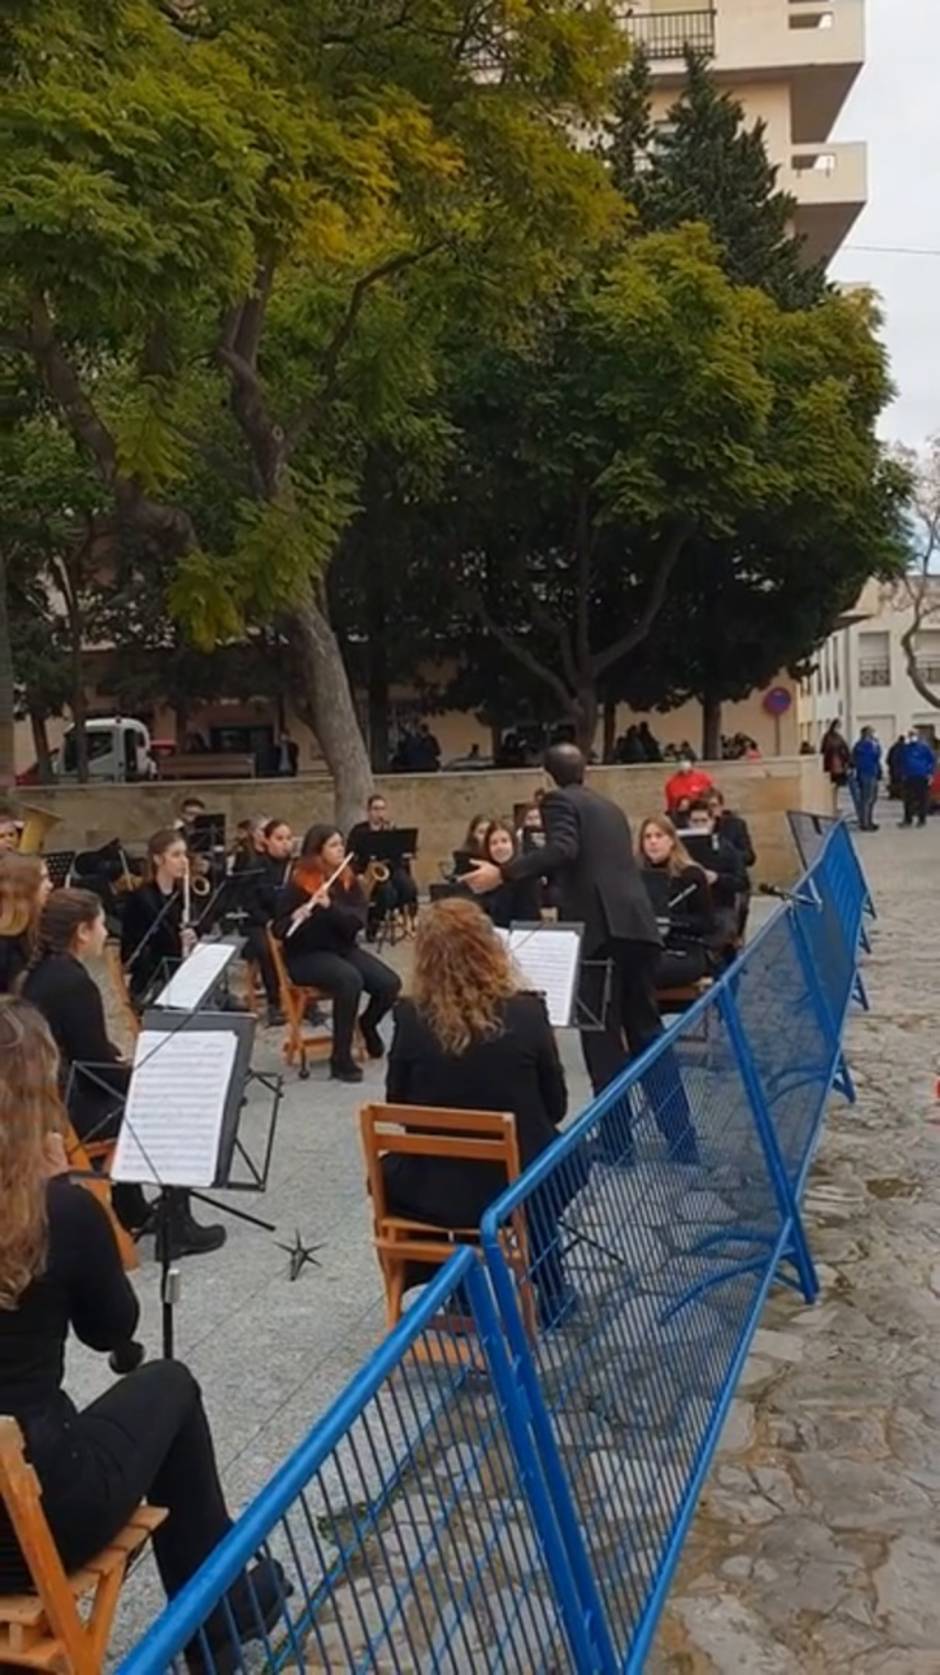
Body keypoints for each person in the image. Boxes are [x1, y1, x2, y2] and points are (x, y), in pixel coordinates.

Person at [0, 999, 287, 1666]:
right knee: (172, 1386)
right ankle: (217, 1626)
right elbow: (113, 1331)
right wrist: (70, 1187)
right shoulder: (57, 1211)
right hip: (30, 1520)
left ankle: (224, 1611)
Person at [466, 744, 698, 1165]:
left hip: (600, 934)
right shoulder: (608, 807)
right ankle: (682, 1140)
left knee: (602, 1040)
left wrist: (504, 872)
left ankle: (616, 1144)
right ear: (585, 769)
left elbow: (564, 850)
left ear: (546, 775)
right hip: (638, 928)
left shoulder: (557, 801)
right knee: (647, 1033)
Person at [383, 900, 572, 1321]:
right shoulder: (527, 1012)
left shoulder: (410, 1017)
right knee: (563, 1159)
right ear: (490, 949)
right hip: (515, 1190)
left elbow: (398, 1106)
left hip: (436, 1190)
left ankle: (463, 1292)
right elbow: (555, 1106)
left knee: (413, 1170)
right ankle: (553, 1290)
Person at [22, 890, 148, 1235]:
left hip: (49, 1097)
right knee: (158, 1105)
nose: (106, 933)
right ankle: (177, 1221)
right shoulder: (74, 983)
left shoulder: (43, 972)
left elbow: (82, 1044)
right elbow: (95, 1069)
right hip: (68, 1109)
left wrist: (116, 1062)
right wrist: (140, 1080)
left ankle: (132, 1208)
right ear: (82, 931)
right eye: (102, 924)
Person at [273, 824, 400, 1083]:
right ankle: (340, 1058)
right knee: (349, 979)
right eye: (333, 845)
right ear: (317, 851)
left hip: (342, 948)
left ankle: (367, 1024)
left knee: (389, 984)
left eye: (341, 844)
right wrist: (297, 916)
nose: (341, 849)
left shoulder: (347, 880)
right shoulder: (299, 882)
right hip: (306, 956)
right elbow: (279, 929)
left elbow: (356, 923)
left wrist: (330, 907)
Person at [637, 817, 716, 989]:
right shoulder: (637, 875)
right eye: (647, 837)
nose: (653, 842)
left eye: (659, 836)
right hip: (650, 948)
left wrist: (670, 920)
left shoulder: (691, 875)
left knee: (645, 971)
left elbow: (707, 923)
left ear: (672, 840)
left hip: (685, 949)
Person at [120, 828, 195, 1007]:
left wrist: (194, 938)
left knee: (231, 1006)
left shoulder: (184, 894)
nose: (184, 861)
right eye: (176, 855)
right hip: (154, 980)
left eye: (185, 854)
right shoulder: (141, 899)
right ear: (158, 859)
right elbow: (134, 951)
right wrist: (176, 942)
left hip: (182, 974)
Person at [232, 818, 293, 1025]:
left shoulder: (294, 867)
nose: (285, 843)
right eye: (279, 838)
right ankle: (274, 1003)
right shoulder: (256, 867)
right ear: (266, 841)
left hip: (286, 920)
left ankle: (307, 1001)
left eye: (288, 838)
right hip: (258, 924)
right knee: (268, 949)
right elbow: (249, 903)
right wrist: (266, 921)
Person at [347, 794, 418, 935]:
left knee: (409, 888)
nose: (379, 813)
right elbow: (350, 855)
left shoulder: (390, 830)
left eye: (382, 809)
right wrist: (358, 874)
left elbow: (399, 856)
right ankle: (374, 921)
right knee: (387, 893)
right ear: (368, 811)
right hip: (369, 872)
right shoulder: (358, 831)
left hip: (391, 868)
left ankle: (396, 914)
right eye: (375, 809)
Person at [683, 800, 746, 955]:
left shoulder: (725, 848)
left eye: (704, 821)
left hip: (719, 907)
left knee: (723, 929)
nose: (699, 826)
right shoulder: (680, 850)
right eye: (695, 821)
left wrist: (717, 878)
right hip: (689, 910)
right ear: (688, 823)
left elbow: (742, 882)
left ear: (712, 822)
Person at [0, 852, 52, 995]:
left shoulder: (36, 930)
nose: (50, 885)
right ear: (21, 887)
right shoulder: (5, 949)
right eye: (43, 879)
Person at [706, 788, 755, 934]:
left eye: (714, 806)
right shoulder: (698, 829)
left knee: (740, 898)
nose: (712, 811)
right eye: (707, 807)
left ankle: (737, 934)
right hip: (709, 879)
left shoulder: (735, 825)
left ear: (721, 807)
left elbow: (750, 856)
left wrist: (730, 856)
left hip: (732, 872)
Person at [476, 822, 542, 928]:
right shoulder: (483, 876)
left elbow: (529, 917)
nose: (500, 847)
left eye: (504, 841)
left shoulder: (526, 876)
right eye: (494, 843)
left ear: (513, 844)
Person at [899, 730, 936, 828]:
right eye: (910, 735)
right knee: (908, 800)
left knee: (922, 799)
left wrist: (930, 773)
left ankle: (922, 819)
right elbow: (902, 761)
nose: (912, 737)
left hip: (921, 776)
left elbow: (931, 761)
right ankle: (908, 819)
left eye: (913, 735)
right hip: (909, 777)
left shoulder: (924, 748)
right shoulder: (906, 749)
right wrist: (902, 774)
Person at [851, 726, 882, 831]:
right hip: (866, 774)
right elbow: (874, 756)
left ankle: (869, 821)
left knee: (872, 799)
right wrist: (876, 746)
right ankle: (865, 823)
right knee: (866, 799)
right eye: (872, 733)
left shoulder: (869, 745)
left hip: (872, 773)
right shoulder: (862, 746)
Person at [820, 721, 850, 789]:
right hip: (833, 765)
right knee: (833, 784)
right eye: (838, 727)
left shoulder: (836, 737)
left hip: (836, 765)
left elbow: (846, 749)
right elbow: (824, 750)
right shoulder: (831, 737)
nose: (838, 729)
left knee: (835, 785)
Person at [887, 734, 907, 800]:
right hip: (901, 769)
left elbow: (888, 759)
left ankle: (893, 794)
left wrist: (890, 766)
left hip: (894, 769)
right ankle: (899, 795)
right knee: (901, 783)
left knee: (894, 782)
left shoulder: (893, 748)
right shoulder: (905, 748)